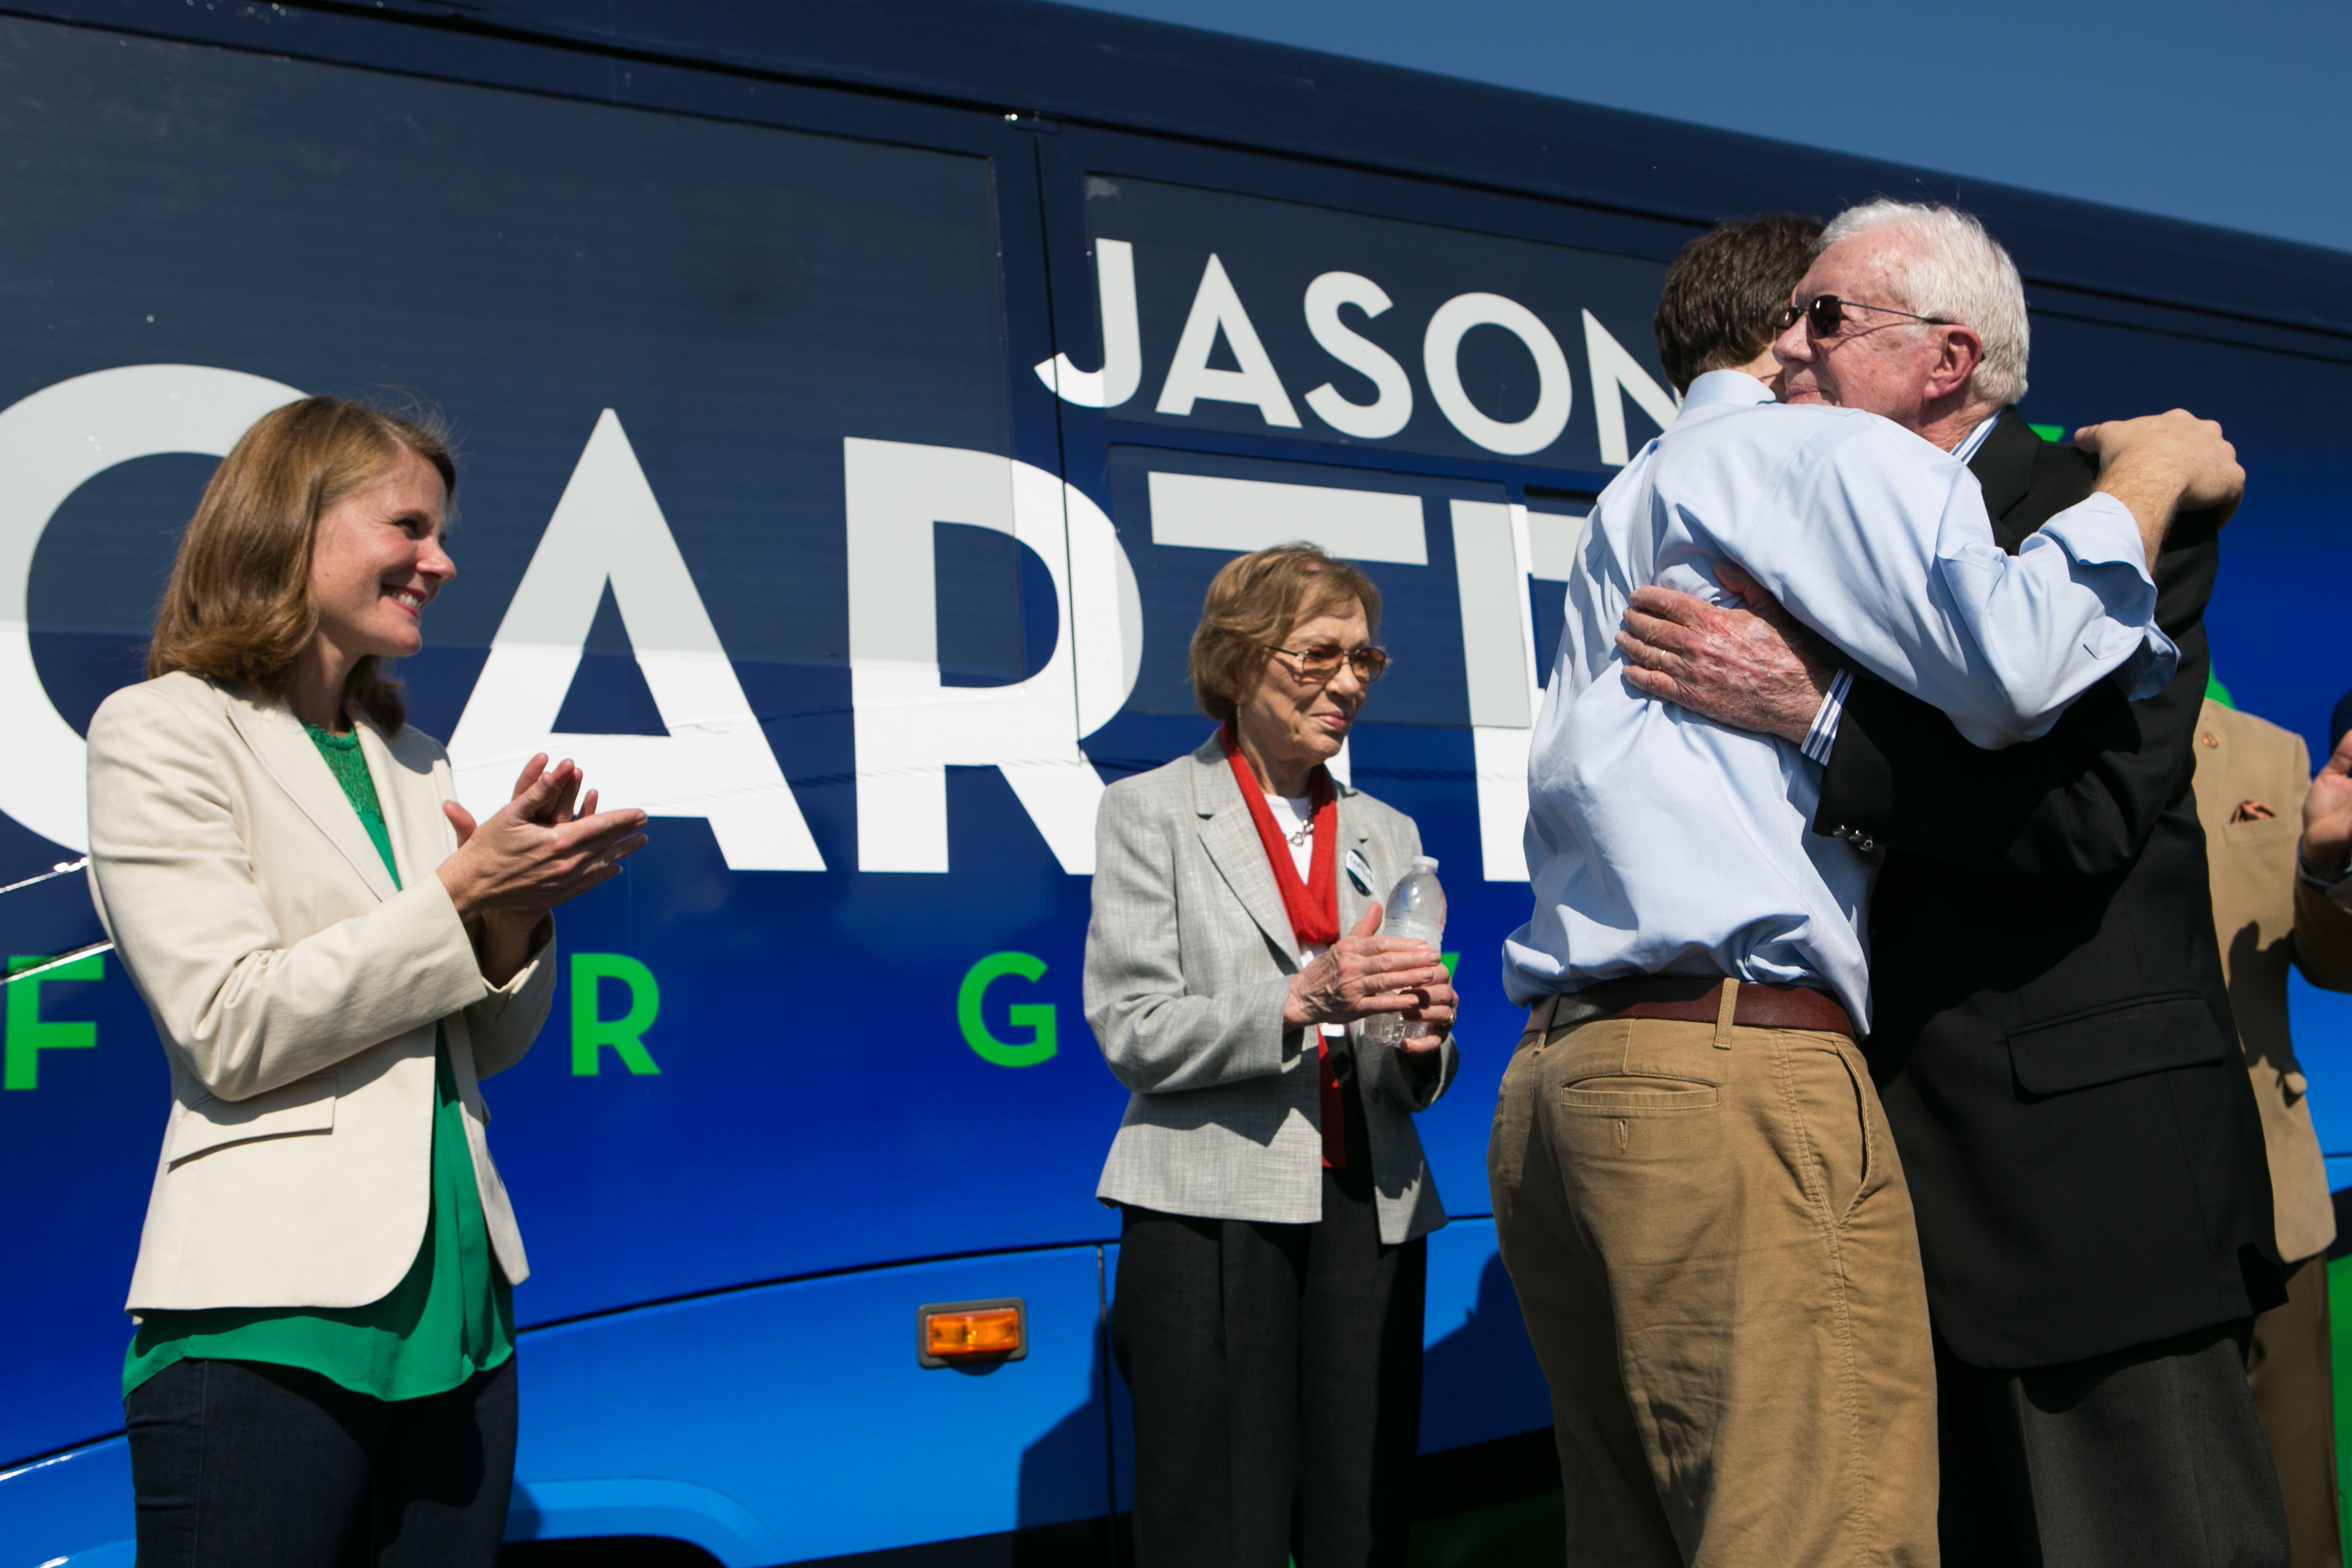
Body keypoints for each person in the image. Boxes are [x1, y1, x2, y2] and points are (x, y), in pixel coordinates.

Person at [1490, 207, 2245, 1565]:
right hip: (1816, 1152)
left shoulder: (2102, 515)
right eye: (1789, 314)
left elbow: (2082, 813)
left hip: (2070, 1198)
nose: (1785, 345)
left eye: (1823, 317)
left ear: (1948, 357)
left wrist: (1821, 714)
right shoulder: (1796, 471)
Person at [88, 396, 649, 1567]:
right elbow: (229, 1024)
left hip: (465, 1326)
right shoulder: (161, 730)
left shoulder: (416, 762)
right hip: (267, 1325)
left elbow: (479, 1047)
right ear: (291, 523)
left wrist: (515, 917)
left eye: (440, 535)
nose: (440, 564)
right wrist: (460, 892)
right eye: (409, 527)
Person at [1086, 544, 1460, 1568]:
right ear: (1242, 658)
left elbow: (1401, 1051)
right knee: (1218, 1525)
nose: (1348, 683)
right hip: (1211, 1210)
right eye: (1319, 655)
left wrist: (1422, 1039)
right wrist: (1298, 1000)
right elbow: (1133, 1027)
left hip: (1369, 1207)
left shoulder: (1389, 832)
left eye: (1363, 659)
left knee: (1362, 1519)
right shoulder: (1151, 810)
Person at [2191, 690, 2352, 1568]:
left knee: (2298, 1531)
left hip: (2273, 1210)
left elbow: (2335, 962)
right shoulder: (2011, 729)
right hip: (2095, 1210)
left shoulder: (2274, 756)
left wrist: (2326, 867)